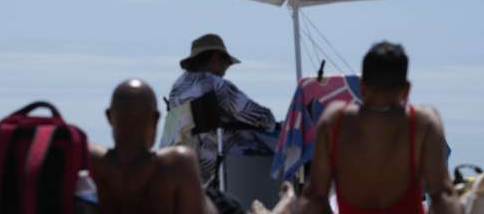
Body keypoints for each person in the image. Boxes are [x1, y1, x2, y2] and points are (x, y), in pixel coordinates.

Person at [296, 41, 461, 214]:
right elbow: (442, 197)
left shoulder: (334, 122)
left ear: (362, 87)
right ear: (406, 89)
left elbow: (314, 198)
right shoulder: (423, 124)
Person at [89, 78, 218, 214]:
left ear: (109, 117)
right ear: (155, 118)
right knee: (222, 201)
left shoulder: (90, 161)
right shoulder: (176, 165)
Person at [168, 33, 277, 184]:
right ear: (215, 59)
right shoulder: (215, 84)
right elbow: (262, 118)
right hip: (224, 162)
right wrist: (272, 120)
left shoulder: (177, 89)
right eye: (226, 62)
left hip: (190, 164)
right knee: (286, 144)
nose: (226, 69)